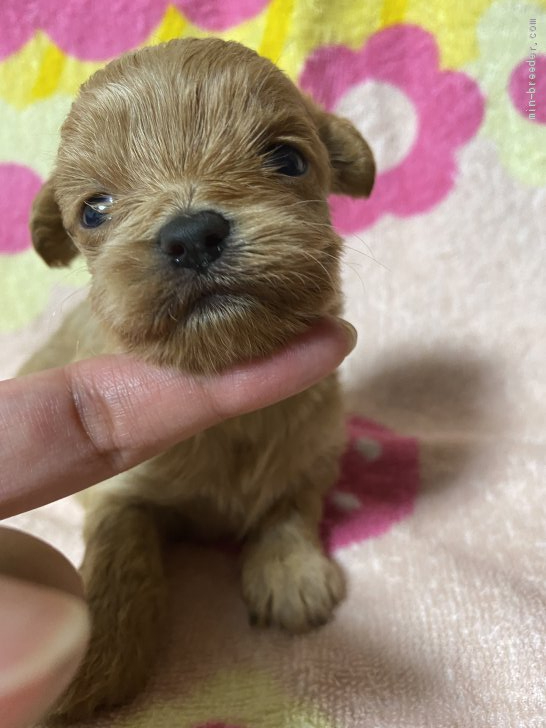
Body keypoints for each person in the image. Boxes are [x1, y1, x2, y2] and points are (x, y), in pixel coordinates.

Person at [0, 317, 355, 728]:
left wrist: (286, 531)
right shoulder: (108, 407)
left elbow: (312, 473)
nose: (189, 247)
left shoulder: (317, 420)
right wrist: (119, 603)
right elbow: (120, 499)